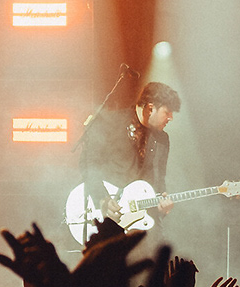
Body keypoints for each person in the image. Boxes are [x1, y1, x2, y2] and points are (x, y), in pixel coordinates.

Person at [77, 80, 180, 223]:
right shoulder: (110, 123)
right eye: (167, 112)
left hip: (141, 220)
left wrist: (162, 206)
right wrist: (102, 199)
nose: (171, 118)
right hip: (105, 216)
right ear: (150, 108)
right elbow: (89, 166)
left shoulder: (162, 140)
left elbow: (159, 180)